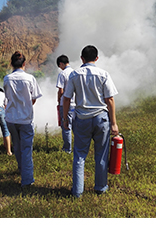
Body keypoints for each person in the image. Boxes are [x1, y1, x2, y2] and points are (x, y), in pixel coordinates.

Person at [62, 45, 119, 197]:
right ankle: (100, 187)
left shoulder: (74, 75)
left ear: (82, 58)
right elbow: (110, 99)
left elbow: (66, 98)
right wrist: (113, 123)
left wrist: (64, 118)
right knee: (101, 154)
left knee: (79, 156)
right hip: (101, 118)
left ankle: (77, 191)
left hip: (82, 119)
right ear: (97, 58)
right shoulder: (103, 74)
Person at [4, 51, 43, 187]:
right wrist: (26, 105)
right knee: (26, 149)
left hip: (11, 118)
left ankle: (22, 170)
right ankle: (27, 180)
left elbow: (8, 97)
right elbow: (34, 98)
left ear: (11, 64)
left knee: (17, 145)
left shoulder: (7, 79)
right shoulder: (30, 78)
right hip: (25, 119)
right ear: (24, 64)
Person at [56, 55, 76, 153]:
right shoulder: (75, 73)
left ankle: (67, 149)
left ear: (61, 64)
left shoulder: (62, 74)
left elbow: (61, 90)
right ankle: (78, 148)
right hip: (76, 104)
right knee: (76, 126)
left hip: (65, 104)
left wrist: (59, 100)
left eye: (59, 66)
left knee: (66, 126)